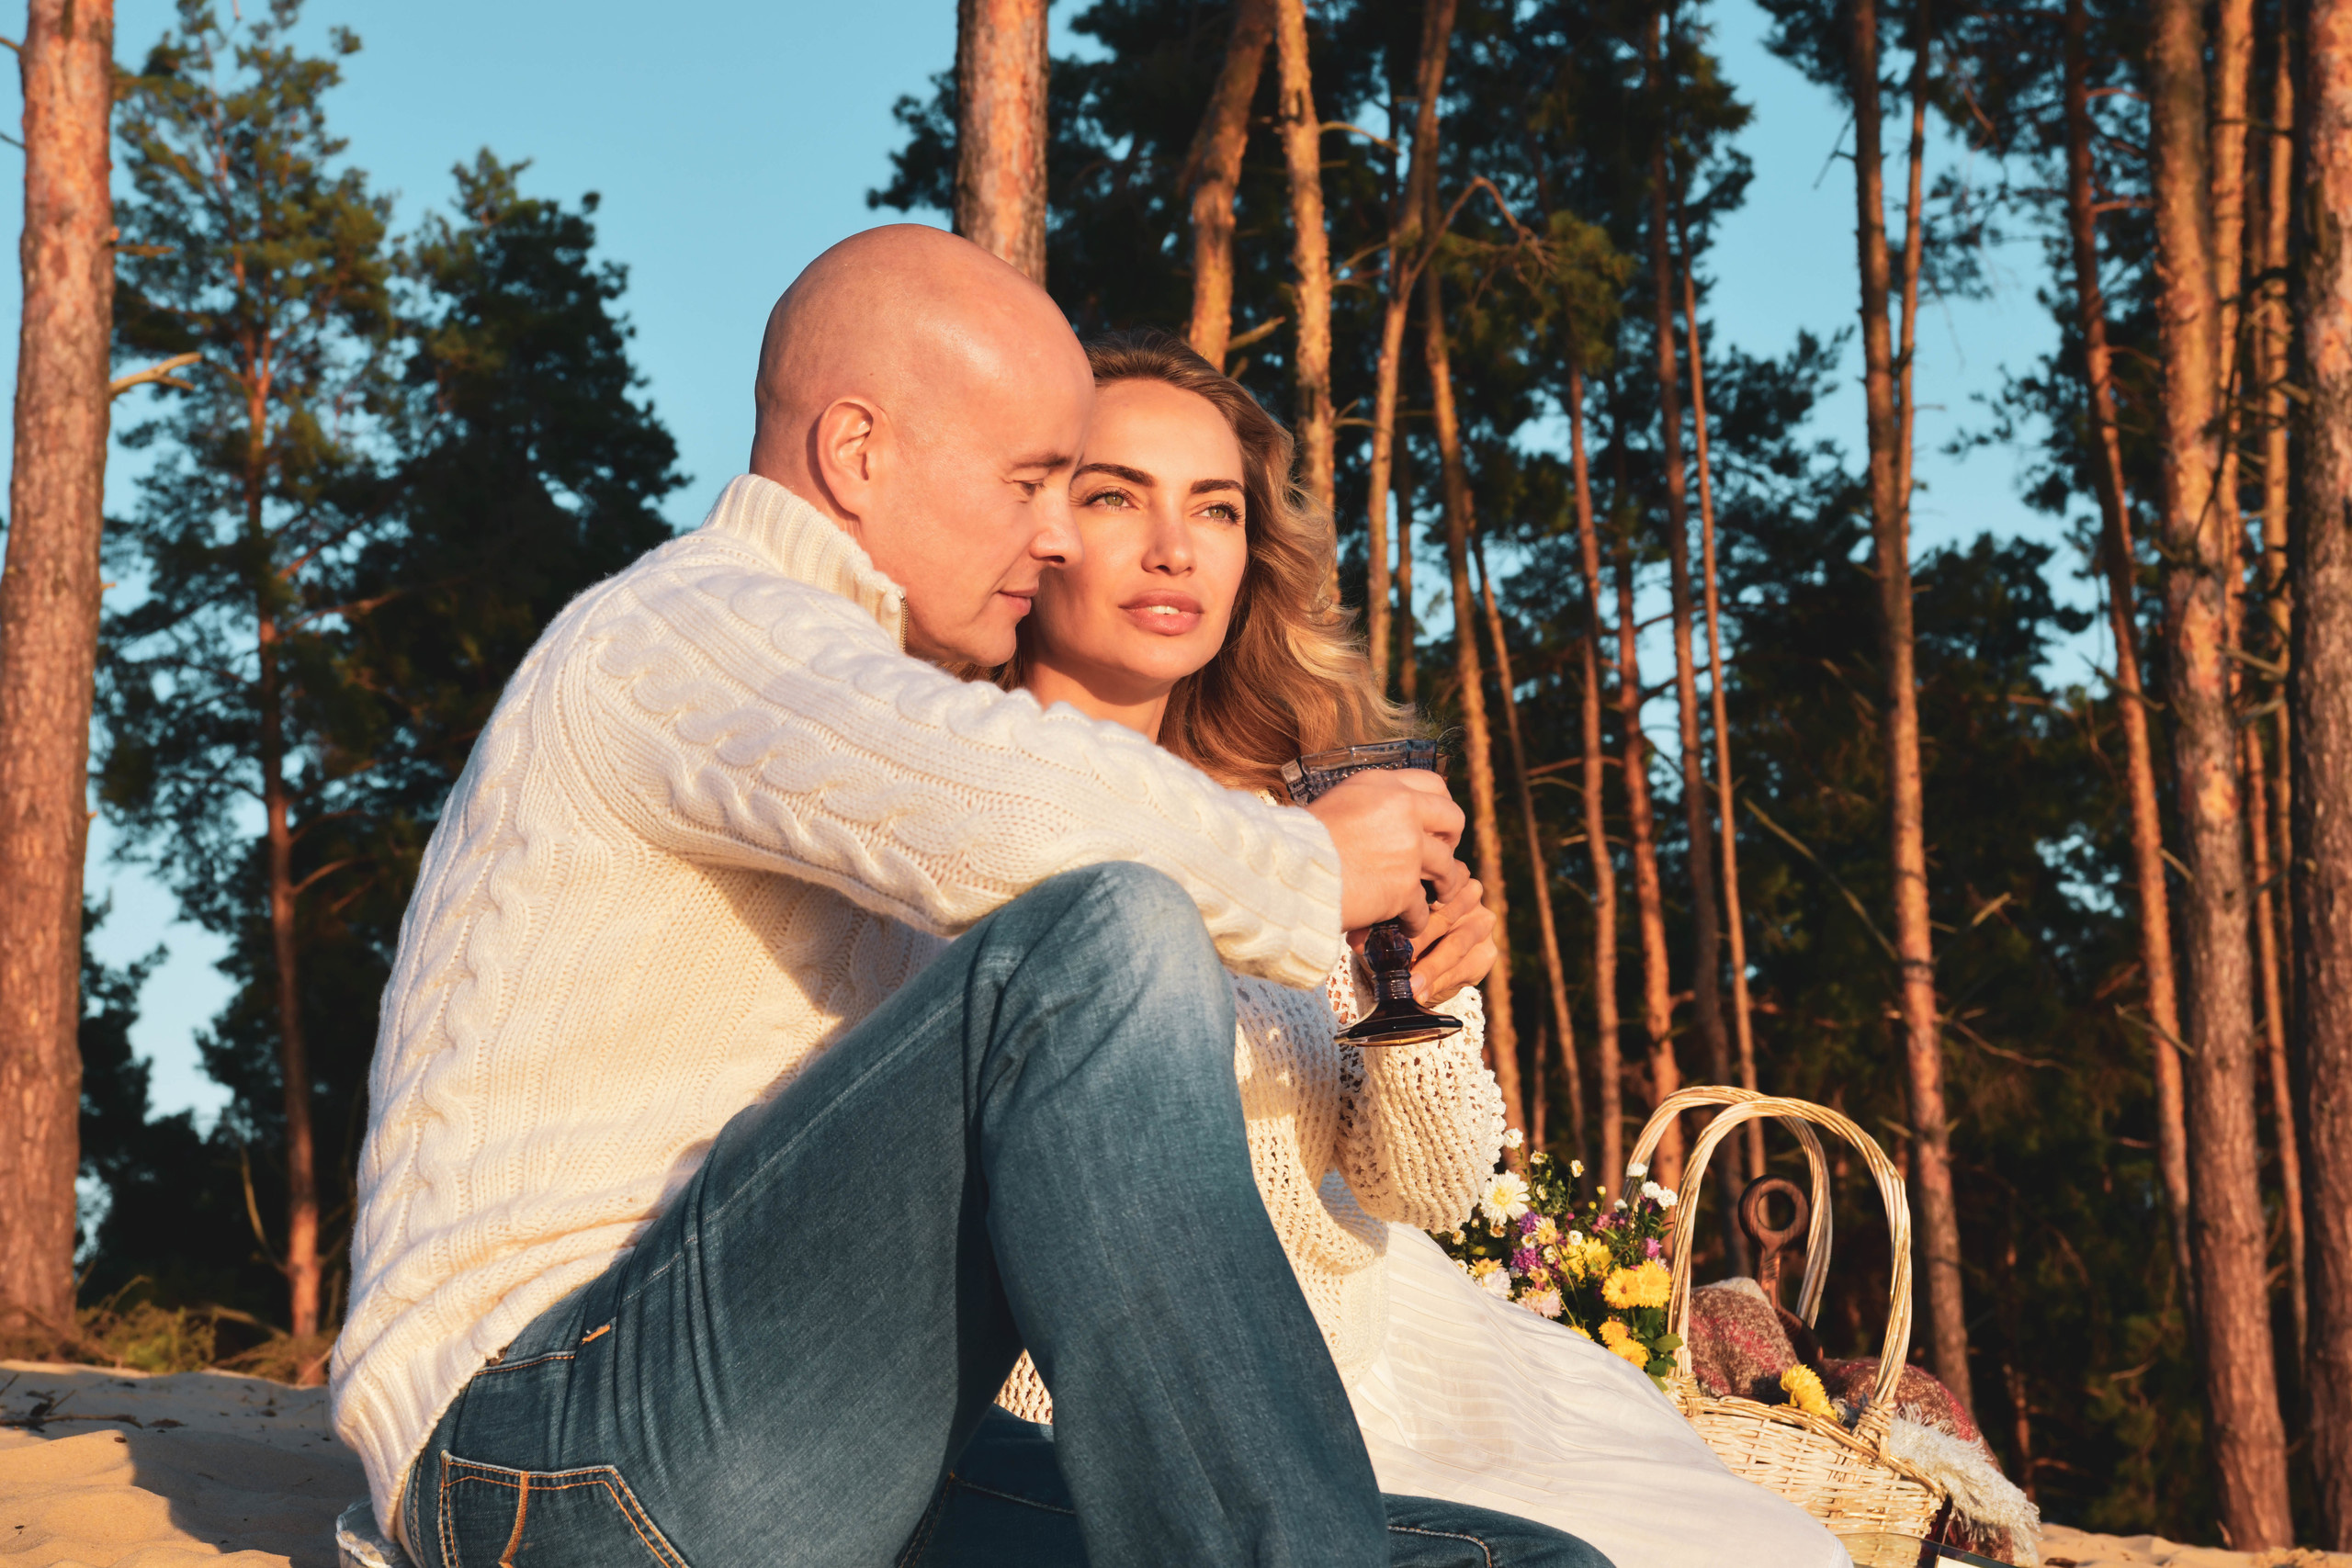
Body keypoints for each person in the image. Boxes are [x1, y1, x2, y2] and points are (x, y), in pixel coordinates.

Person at [331, 225, 1607, 1568]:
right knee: (1110, 935)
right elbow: (1030, 812)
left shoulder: (862, 710)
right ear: (858, 452)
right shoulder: (691, 630)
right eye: (1034, 482)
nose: (1054, 536)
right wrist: (1306, 864)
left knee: (1520, 1565)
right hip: (554, 1442)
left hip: (794, 1429)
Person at [907, 330, 1848, 1568]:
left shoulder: (1312, 807)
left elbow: (1430, 1189)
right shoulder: (949, 779)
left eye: (1217, 508)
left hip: (1376, 1361)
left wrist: (1421, 1011)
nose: (1175, 547)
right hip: (1096, 1419)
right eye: (1114, 496)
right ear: (1037, 527)